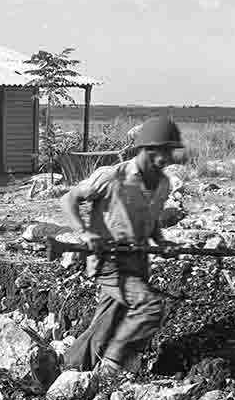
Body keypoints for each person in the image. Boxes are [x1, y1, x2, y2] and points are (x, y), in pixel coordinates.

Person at [60, 116, 184, 384]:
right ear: (145, 149)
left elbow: (150, 221)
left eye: (169, 152)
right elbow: (68, 199)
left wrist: (162, 243)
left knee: (108, 320)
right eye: (161, 151)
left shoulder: (162, 184)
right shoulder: (111, 177)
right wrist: (85, 233)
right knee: (150, 306)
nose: (166, 158)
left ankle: (71, 368)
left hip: (138, 262)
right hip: (109, 261)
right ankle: (112, 366)